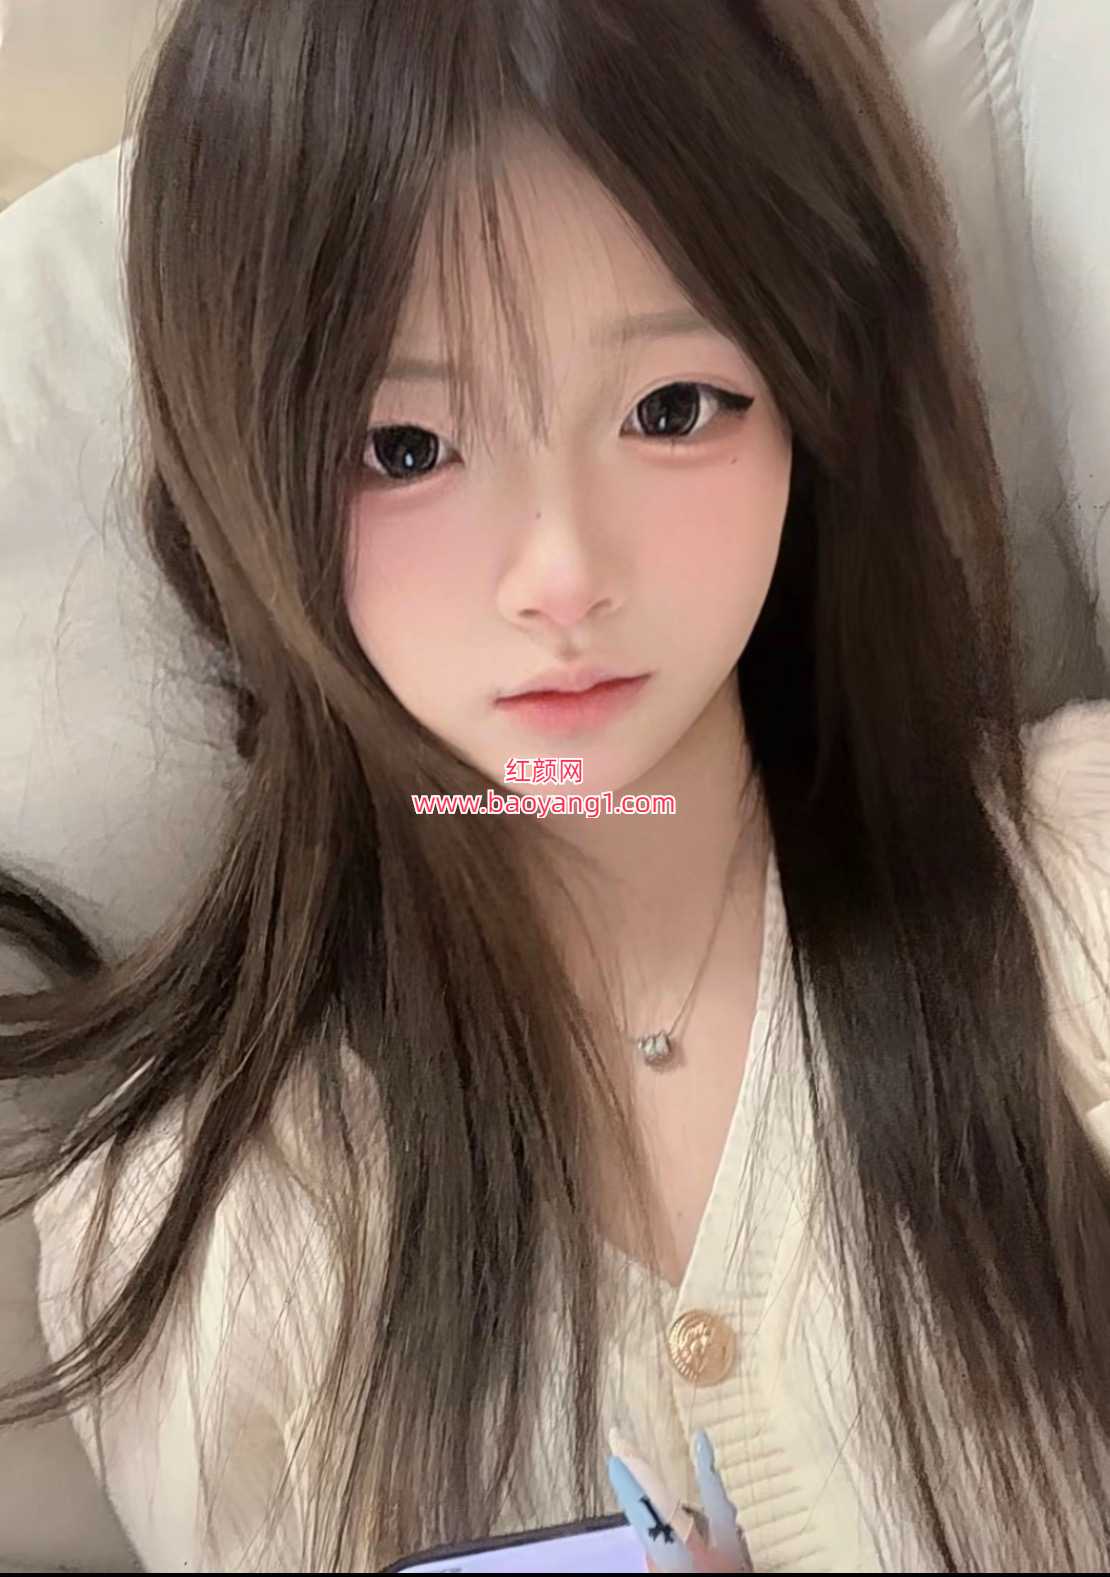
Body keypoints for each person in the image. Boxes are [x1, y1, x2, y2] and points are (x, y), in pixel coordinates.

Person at [2, 0, 1110, 1569]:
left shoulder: (1081, 902)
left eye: (671, 408)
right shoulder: (221, 1238)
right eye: (404, 445)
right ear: (248, 469)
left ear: (816, 392)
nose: (562, 572)